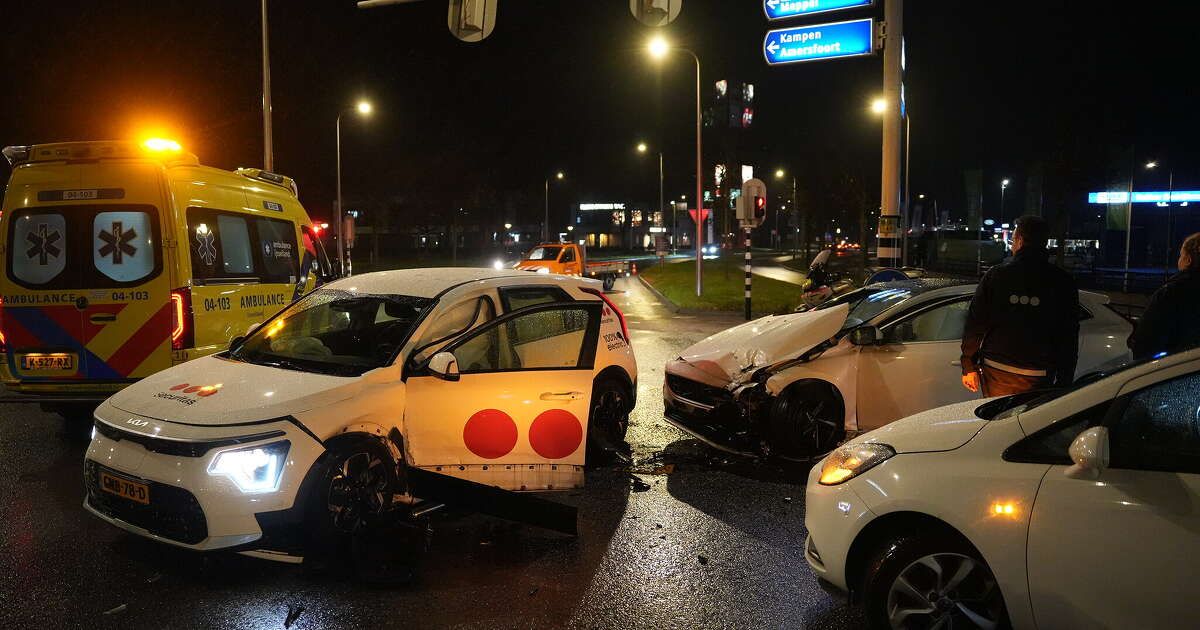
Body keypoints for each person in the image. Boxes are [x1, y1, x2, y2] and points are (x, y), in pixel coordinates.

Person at [960, 215, 1079, 397]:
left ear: (1020, 240)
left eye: (1013, 238)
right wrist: (1064, 380)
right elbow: (1068, 334)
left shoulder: (996, 276)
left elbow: (975, 322)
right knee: (1030, 423)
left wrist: (968, 364)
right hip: (1039, 373)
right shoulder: (1062, 282)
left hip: (997, 369)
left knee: (998, 420)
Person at [1128, 232, 1200, 359]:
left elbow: (1146, 342)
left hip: (1178, 369)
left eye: (1181, 255)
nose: (1179, 260)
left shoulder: (1172, 293)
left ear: (1188, 260)